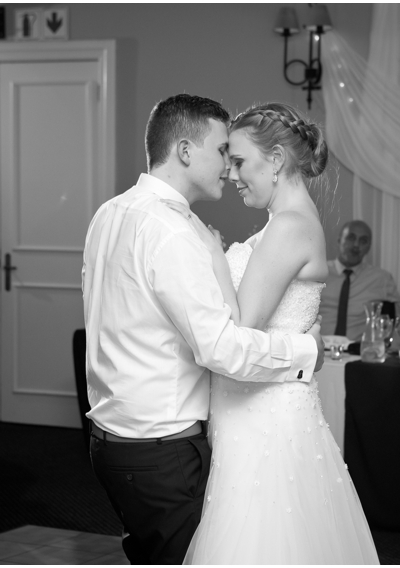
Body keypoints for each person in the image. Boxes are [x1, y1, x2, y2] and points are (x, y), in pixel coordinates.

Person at [81, 94, 325, 565]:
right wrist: (305, 351)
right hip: (161, 448)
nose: (229, 169)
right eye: (222, 152)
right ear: (186, 151)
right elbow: (223, 348)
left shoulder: (109, 213)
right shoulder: (173, 231)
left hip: (109, 440)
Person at [180, 103, 379, 564]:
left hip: (265, 418)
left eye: (239, 161)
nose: (231, 174)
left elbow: (240, 327)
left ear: (275, 160)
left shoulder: (289, 226)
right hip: (255, 410)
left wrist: (213, 255)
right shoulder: (285, 222)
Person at [319, 220, 400, 340]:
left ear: (368, 247)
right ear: (339, 240)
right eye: (351, 238)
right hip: (317, 346)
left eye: (363, 241)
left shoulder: (381, 278)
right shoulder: (318, 273)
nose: (356, 245)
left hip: (359, 348)